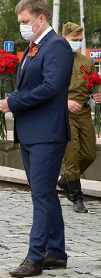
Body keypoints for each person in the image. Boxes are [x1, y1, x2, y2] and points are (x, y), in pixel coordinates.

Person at [0, 0, 73, 278]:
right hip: (30, 132)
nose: (23, 27)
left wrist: (13, 104)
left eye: (25, 21)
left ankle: (34, 258)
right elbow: (28, 87)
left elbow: (51, 87)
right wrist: (7, 100)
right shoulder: (33, 48)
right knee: (46, 193)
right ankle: (56, 254)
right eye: (20, 22)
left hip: (47, 133)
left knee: (41, 196)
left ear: (41, 18)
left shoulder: (57, 45)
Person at [57, 22, 101, 213]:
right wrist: (64, 102)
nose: (78, 43)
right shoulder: (55, 60)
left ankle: (66, 179)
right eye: (75, 40)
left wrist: (97, 94)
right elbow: (48, 89)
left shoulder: (86, 62)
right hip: (64, 114)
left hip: (84, 112)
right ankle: (76, 197)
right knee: (72, 155)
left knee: (90, 153)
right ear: (64, 38)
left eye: (80, 40)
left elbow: (94, 84)